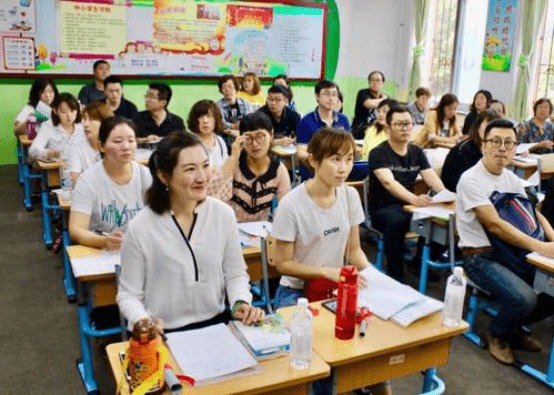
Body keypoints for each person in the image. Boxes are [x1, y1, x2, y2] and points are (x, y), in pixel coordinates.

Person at [272, 127, 391, 395]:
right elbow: (283, 264)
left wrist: (375, 277)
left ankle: (367, 382)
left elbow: (354, 251)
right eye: (335, 159)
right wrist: (325, 272)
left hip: (337, 288)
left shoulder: (349, 196)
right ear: (313, 160)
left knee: (375, 344)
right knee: (319, 356)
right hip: (297, 293)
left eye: (349, 159)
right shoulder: (292, 204)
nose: (344, 168)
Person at [117, 132, 264, 333]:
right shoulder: (141, 226)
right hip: (163, 332)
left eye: (205, 166)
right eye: (189, 169)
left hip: (217, 325)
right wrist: (142, 320)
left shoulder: (222, 214)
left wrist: (240, 303)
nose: (202, 177)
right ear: (163, 176)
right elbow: (128, 295)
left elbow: (235, 274)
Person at [456, 119, 554, 365]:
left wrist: (552, 238)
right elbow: (494, 225)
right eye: (495, 142)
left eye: (508, 143)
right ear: (483, 146)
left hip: (512, 253)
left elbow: (534, 213)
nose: (502, 148)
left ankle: (514, 325)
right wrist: (542, 248)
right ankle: (497, 331)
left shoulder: (511, 179)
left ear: (514, 148)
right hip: (478, 256)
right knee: (525, 298)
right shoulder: (471, 179)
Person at [369, 106, 445, 282]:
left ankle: (419, 264)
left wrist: (446, 197)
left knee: (440, 221)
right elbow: (389, 183)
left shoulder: (416, 151)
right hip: (384, 208)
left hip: (410, 206)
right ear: (388, 128)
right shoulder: (379, 153)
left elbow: (431, 177)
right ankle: (396, 276)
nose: (405, 128)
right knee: (398, 221)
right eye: (400, 124)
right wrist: (414, 199)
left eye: (408, 124)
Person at [69, 117, 152, 251]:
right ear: (102, 146)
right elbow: (76, 230)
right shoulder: (87, 181)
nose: (126, 147)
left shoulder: (145, 175)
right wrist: (104, 241)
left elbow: (159, 219)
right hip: (101, 248)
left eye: (131, 140)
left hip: (138, 247)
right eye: (118, 141)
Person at [209, 112, 291, 222]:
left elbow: (285, 208)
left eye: (260, 136)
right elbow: (212, 197)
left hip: (261, 229)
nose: (255, 144)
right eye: (248, 137)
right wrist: (233, 157)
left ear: (271, 135)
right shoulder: (234, 163)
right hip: (231, 226)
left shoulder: (278, 170)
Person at [441, 109, 500, 192]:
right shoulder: (465, 149)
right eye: (487, 125)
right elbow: (461, 184)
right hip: (455, 196)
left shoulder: (492, 150)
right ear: (478, 126)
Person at [297, 80, 350, 163]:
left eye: (334, 94)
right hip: (315, 168)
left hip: (338, 167)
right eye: (326, 94)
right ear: (317, 96)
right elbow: (300, 152)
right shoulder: (306, 121)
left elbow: (349, 146)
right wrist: (323, 160)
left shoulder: (343, 120)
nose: (331, 98)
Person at [29, 93, 84, 161]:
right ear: (55, 110)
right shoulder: (48, 126)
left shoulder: (82, 126)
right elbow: (33, 150)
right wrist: (49, 153)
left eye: (72, 111)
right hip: (57, 169)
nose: (69, 116)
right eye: (64, 111)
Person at [68, 102, 114, 184]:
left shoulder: (115, 145)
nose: (85, 124)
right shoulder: (76, 145)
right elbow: (74, 179)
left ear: (104, 122)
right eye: (84, 119)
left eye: (92, 119)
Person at [187, 100, 228, 170]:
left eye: (209, 116)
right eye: (201, 116)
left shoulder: (220, 141)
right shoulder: (189, 142)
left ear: (216, 119)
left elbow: (226, 169)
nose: (205, 120)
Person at [352, 71, 387, 139]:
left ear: (383, 83)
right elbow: (370, 104)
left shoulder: (384, 98)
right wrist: (385, 100)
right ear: (369, 82)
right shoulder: (363, 93)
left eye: (378, 80)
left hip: (376, 133)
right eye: (372, 80)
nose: (375, 82)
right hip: (360, 132)